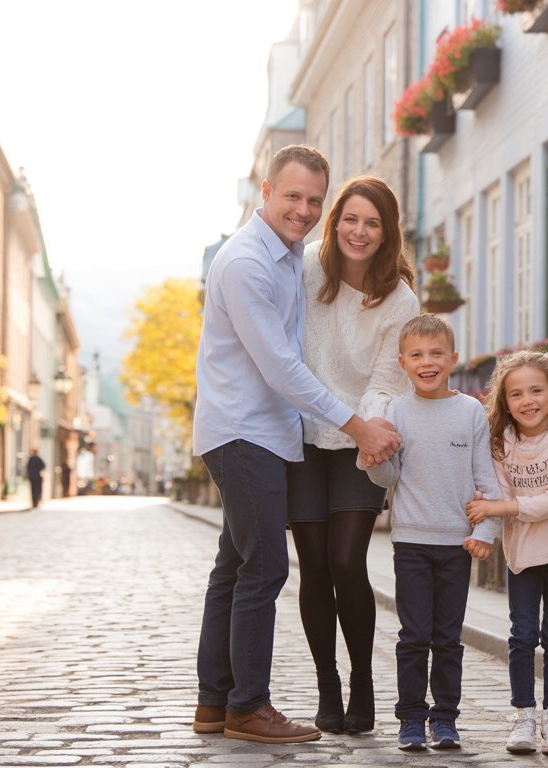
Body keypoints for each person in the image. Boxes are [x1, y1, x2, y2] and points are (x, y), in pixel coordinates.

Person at [190, 145, 401, 745]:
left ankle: (215, 700)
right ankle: (248, 706)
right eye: (293, 197)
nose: (303, 210)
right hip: (244, 431)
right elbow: (282, 367)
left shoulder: (287, 258)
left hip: (262, 432)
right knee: (264, 568)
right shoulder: (248, 264)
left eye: (314, 200)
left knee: (233, 566)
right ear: (265, 190)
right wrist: (358, 425)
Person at [287, 175, 419, 736]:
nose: (358, 232)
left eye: (372, 223)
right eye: (350, 219)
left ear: (387, 233)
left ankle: (362, 682)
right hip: (301, 440)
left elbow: (389, 380)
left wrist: (362, 429)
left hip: (360, 441)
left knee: (347, 562)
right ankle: (327, 687)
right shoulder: (307, 272)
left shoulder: (400, 297)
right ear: (335, 220)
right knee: (313, 567)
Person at [360, 314, 503, 752]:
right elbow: (389, 477)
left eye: (436, 353)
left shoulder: (470, 411)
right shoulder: (396, 411)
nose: (427, 362)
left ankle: (445, 719)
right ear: (402, 362)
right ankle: (410, 718)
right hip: (411, 544)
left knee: (448, 636)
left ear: (453, 359)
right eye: (417, 355)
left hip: (457, 544)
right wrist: (374, 461)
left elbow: (488, 478)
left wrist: (489, 528)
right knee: (413, 635)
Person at [465, 350, 548, 756]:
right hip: (522, 554)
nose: (528, 401)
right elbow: (498, 492)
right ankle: (524, 716)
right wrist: (485, 530)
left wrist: (499, 509)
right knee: (522, 636)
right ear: (505, 402)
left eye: (536, 391)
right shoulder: (502, 444)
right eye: (517, 394)